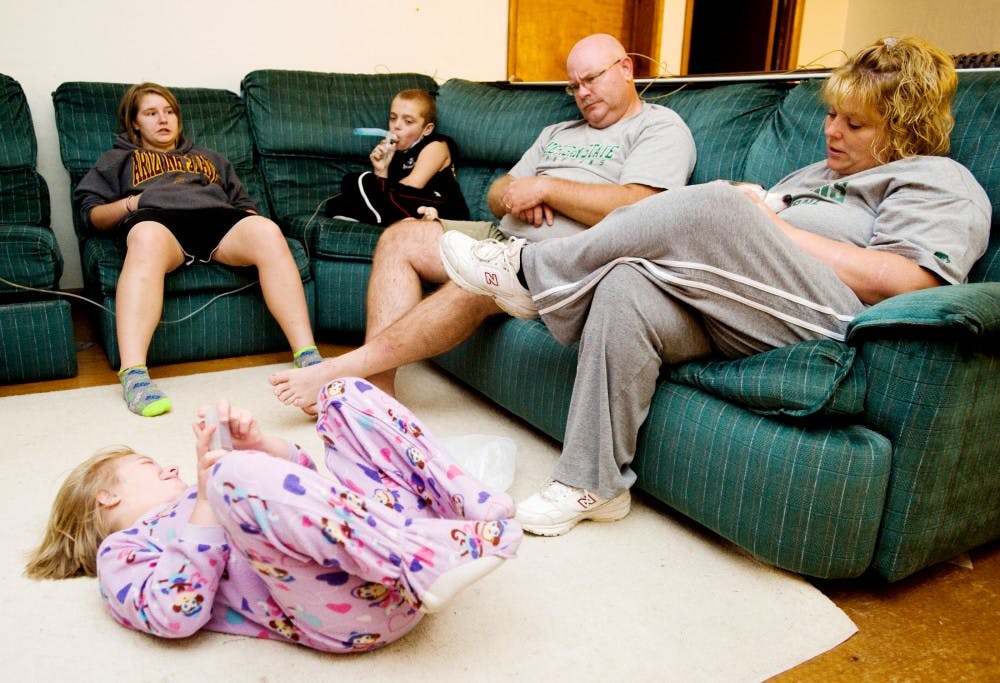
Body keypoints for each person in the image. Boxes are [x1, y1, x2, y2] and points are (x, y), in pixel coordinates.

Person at [439, 35, 992, 536]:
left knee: (714, 203)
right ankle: (595, 484)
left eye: (855, 123)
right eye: (830, 115)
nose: (831, 130)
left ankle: (529, 273)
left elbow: (905, 282)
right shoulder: (816, 176)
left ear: (905, 127)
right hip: (746, 305)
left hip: (831, 322)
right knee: (626, 284)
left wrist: (761, 221)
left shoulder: (937, 180)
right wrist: (760, 204)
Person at [269, 33, 696, 408]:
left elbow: (639, 206)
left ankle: (343, 370)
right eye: (574, 85)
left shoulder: (660, 128)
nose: (582, 93)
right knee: (400, 238)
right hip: (501, 235)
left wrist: (546, 190)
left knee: (479, 279)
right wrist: (514, 193)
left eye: (592, 79)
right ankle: (379, 395)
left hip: (558, 259)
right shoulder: (559, 132)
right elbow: (497, 194)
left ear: (626, 68)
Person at [24, 379, 521, 652]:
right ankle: (421, 559)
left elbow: (316, 491)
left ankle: (470, 508)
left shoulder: (213, 485)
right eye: (149, 466)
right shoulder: (125, 551)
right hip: (354, 608)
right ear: (105, 498)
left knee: (341, 395)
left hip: (375, 534)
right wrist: (211, 493)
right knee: (228, 477)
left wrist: (258, 446)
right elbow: (174, 615)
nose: (169, 465)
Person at [75, 82, 322, 418]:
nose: (163, 119)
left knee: (267, 230)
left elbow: (244, 205)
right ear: (135, 123)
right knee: (145, 237)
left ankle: (308, 356)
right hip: (158, 224)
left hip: (218, 221)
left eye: (169, 112)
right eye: (151, 113)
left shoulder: (210, 158)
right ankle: (134, 376)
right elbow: (91, 215)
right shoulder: (117, 160)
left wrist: (252, 228)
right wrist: (133, 202)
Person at [324, 88, 469, 225]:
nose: (396, 126)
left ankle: (382, 218)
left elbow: (413, 186)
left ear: (427, 129)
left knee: (360, 181)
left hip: (439, 207)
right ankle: (389, 218)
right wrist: (382, 168)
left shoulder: (437, 145)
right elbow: (390, 195)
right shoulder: (396, 152)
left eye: (408, 121)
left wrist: (375, 184)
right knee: (336, 202)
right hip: (405, 204)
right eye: (393, 118)